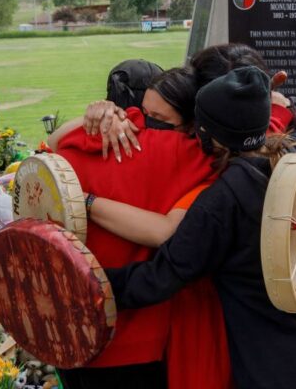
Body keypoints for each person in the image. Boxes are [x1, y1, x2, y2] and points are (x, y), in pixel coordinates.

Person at [103, 67, 296, 389]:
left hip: (277, 368)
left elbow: (160, 277)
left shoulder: (223, 201)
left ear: (208, 135)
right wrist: (287, 102)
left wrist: (85, 281)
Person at [55, 68, 216, 388]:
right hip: (138, 336)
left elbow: (51, 146)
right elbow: (164, 232)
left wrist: (107, 113)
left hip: (68, 322)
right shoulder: (200, 158)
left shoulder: (90, 136)